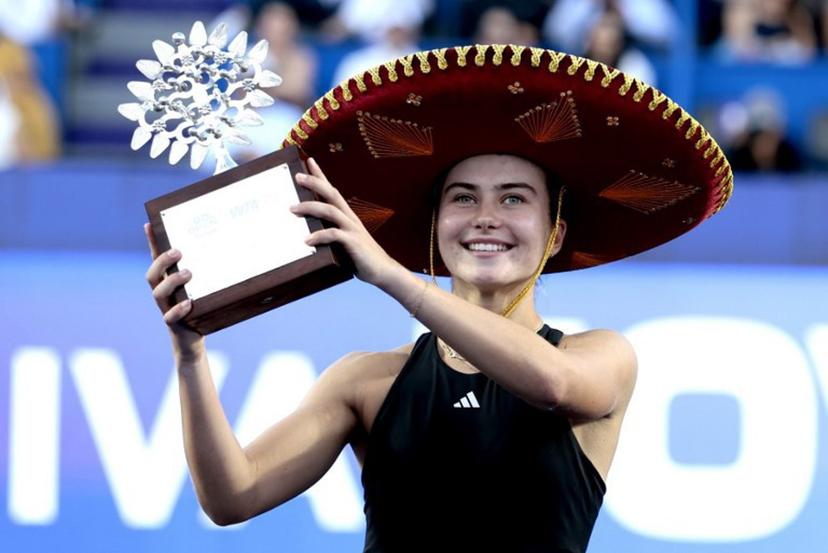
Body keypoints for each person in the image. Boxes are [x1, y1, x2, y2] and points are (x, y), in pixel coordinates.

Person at [144, 44, 733, 552]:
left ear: (555, 233)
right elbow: (232, 496)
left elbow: (552, 385)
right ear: (435, 226)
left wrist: (395, 278)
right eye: (462, 198)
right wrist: (190, 356)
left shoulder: (601, 357)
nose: (484, 218)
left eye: (513, 199)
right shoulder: (364, 382)